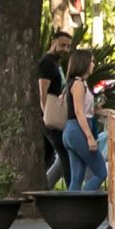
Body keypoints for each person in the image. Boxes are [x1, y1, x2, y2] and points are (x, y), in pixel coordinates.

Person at [61, 49, 107, 191]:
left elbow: (86, 110)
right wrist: (89, 137)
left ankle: (72, 205)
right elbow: (79, 112)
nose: (93, 64)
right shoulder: (78, 84)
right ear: (84, 63)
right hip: (78, 130)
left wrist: (105, 112)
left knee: (77, 178)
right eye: (91, 61)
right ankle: (84, 200)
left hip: (72, 131)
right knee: (101, 172)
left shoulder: (79, 83)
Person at [38, 31, 73, 187]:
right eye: (62, 45)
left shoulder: (55, 63)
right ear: (53, 42)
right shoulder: (47, 63)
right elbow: (42, 92)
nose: (65, 49)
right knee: (65, 153)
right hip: (49, 118)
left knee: (48, 156)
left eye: (68, 46)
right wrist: (46, 115)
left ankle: (44, 187)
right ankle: (73, 190)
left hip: (52, 116)